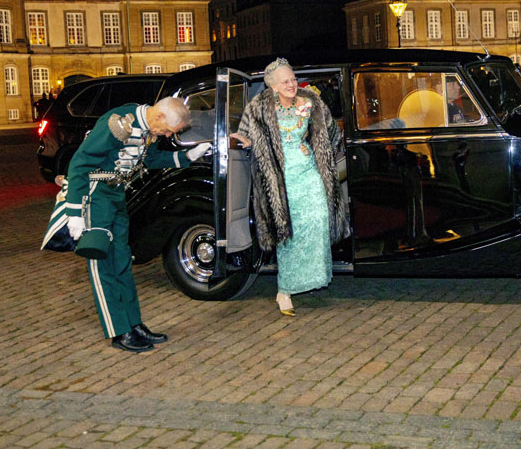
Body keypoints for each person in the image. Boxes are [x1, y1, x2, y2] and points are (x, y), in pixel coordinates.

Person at [65, 97, 211, 352]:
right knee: (103, 267)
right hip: (95, 196)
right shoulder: (117, 122)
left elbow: (150, 160)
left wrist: (187, 156)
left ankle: (133, 324)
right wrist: (75, 212)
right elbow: (80, 163)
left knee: (122, 262)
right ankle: (118, 331)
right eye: (167, 130)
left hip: (117, 195)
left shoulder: (146, 127)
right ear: (160, 117)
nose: (166, 135)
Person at [231, 58, 349, 316]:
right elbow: (244, 134)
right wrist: (245, 143)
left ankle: (314, 277)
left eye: (293, 79)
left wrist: (322, 154)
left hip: (309, 172)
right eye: (285, 81)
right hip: (280, 177)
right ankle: (285, 290)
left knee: (317, 220)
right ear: (272, 86)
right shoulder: (259, 107)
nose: (292, 84)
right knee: (287, 230)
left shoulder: (312, 102)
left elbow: (331, 134)